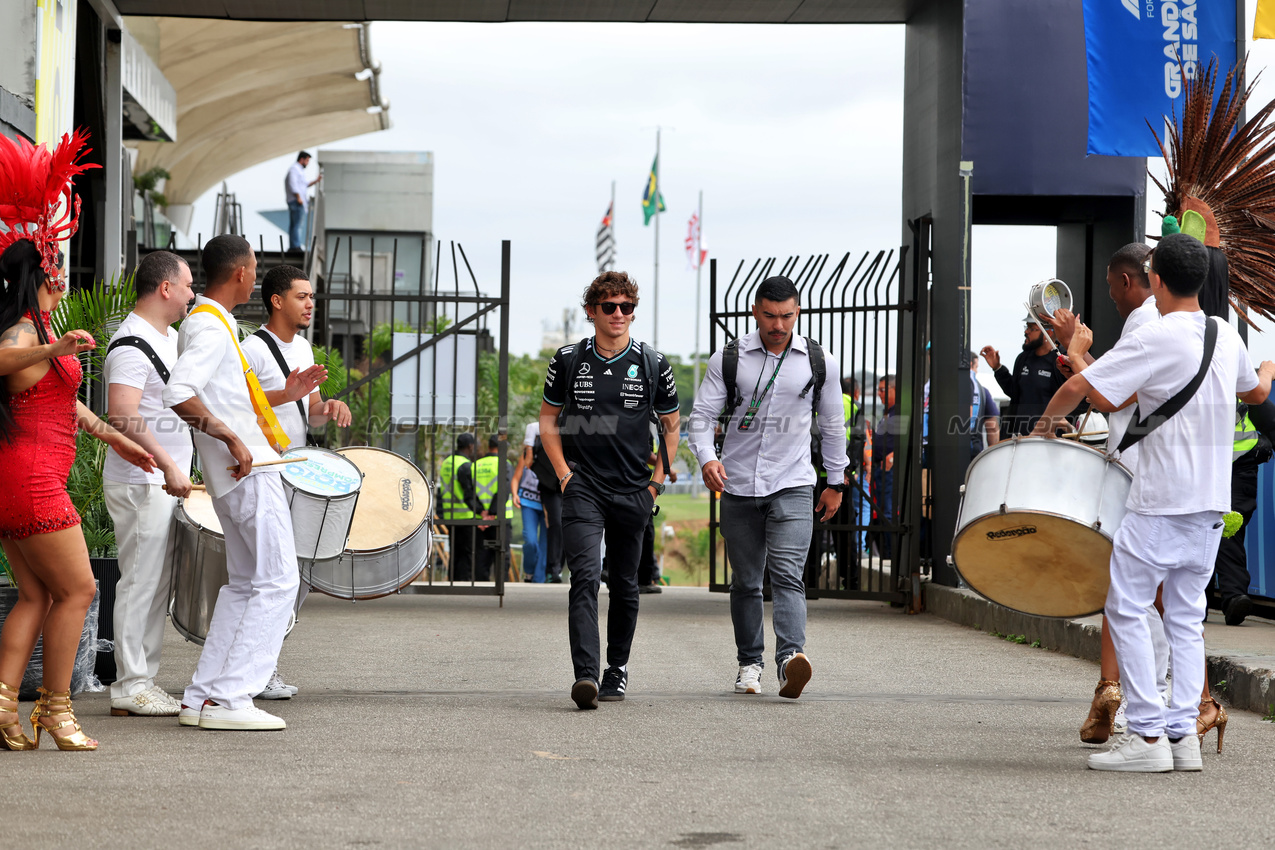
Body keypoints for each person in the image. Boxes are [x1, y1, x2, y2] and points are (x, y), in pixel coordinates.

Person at [1033, 233, 1275, 772]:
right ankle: (1182, 737)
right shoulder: (1224, 334)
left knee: (1126, 607)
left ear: (1158, 280)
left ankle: (1144, 737)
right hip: (1210, 501)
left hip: (1161, 499)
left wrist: (1062, 386)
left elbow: (1097, 394)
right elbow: (1256, 398)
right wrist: (1265, 373)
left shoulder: (1156, 335)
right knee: (1187, 617)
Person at [0, 129, 156, 751]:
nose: (62, 282)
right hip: (33, 481)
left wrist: (115, 438)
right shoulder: (20, 334)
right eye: (54, 273)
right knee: (82, 589)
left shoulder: (35, 333)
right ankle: (57, 711)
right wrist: (54, 346)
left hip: (23, 476)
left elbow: (65, 409)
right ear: (32, 279)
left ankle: (7, 707)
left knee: (37, 594)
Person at [163, 234, 326, 731]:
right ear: (242, 274)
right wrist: (232, 438)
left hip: (239, 472)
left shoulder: (213, 323)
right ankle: (231, 698)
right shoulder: (213, 326)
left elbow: (224, 395)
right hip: (246, 470)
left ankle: (203, 697)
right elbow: (180, 392)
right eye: (254, 268)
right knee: (279, 581)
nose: (255, 275)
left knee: (245, 585)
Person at [689, 275, 848, 698]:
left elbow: (833, 426)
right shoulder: (729, 359)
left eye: (787, 316)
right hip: (738, 485)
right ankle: (749, 663)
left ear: (798, 312)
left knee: (788, 574)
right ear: (755, 312)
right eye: (770, 315)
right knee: (746, 582)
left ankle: (790, 659)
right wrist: (707, 457)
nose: (779, 325)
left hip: (793, 482)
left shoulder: (819, 361)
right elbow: (701, 417)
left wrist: (836, 481)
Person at [539, 271, 679, 709]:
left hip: (634, 489)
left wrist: (655, 484)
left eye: (626, 307)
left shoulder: (654, 363)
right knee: (582, 577)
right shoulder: (567, 359)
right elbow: (548, 419)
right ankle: (586, 676)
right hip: (582, 486)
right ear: (591, 312)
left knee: (624, 584)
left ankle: (615, 669)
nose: (619, 314)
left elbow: (672, 425)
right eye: (609, 307)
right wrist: (563, 474)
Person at [241, 264, 351, 698]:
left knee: (299, 574)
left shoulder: (304, 348)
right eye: (302, 296)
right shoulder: (251, 350)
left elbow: (311, 407)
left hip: (298, 470)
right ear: (276, 300)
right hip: (265, 468)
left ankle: (264, 663)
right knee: (269, 574)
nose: (310, 303)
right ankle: (254, 670)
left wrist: (331, 407)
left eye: (311, 296)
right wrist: (286, 394)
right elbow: (235, 406)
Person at [102, 250, 196, 718]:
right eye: (187, 286)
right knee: (141, 582)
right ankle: (129, 685)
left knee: (155, 583)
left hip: (161, 482)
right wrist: (168, 466)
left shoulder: (170, 338)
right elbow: (122, 413)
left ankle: (142, 681)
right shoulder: (130, 343)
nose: (191, 295)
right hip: (142, 482)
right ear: (165, 288)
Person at [981, 315, 1067, 436]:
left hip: (1050, 440)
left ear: (1048, 332)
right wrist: (997, 368)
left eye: (1032, 328)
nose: (1026, 331)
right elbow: (1014, 392)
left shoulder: (1061, 360)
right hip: (1020, 438)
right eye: (1027, 327)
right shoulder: (1023, 358)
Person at [438, 433, 483, 581]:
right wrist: (480, 511)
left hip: (450, 516)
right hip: (466, 516)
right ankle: (463, 583)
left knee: (455, 553)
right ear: (470, 446)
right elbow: (469, 493)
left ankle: (452, 581)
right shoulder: (464, 465)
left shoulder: (446, 463)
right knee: (467, 554)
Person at [474, 435, 513, 582]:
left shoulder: (475, 465)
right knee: (502, 555)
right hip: (501, 518)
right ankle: (501, 587)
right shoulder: (504, 463)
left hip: (480, 520)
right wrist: (492, 513)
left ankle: (480, 589)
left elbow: (469, 492)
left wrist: (481, 512)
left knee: (482, 557)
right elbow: (505, 489)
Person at [512, 422, 547, 582]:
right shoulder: (526, 457)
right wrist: (514, 494)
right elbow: (515, 478)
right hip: (528, 503)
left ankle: (538, 581)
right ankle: (529, 572)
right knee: (531, 541)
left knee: (545, 544)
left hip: (547, 504)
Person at [284, 151, 320, 252]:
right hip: (296, 201)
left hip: (297, 201)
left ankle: (294, 245)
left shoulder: (298, 170)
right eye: (307, 160)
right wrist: (298, 197)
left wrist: (316, 181)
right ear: (302, 159)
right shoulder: (294, 169)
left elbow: (304, 185)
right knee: (297, 225)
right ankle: (295, 246)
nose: (307, 163)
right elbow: (293, 184)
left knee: (294, 224)